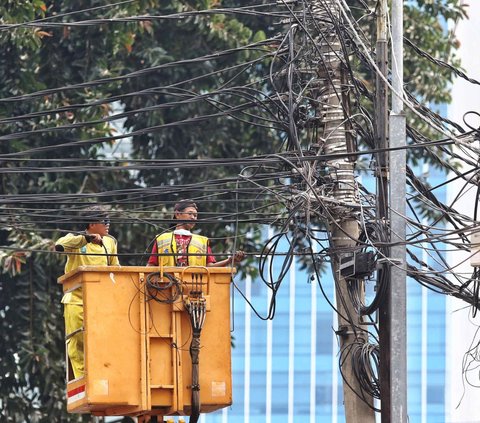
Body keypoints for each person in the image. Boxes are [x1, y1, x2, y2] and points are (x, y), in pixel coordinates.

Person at [55, 207, 120, 379]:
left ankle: (102, 376)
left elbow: (116, 268)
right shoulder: (75, 239)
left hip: (100, 300)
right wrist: (86, 239)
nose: (108, 225)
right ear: (92, 224)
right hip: (76, 299)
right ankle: (82, 379)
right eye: (104, 222)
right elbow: (59, 245)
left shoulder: (110, 242)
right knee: (77, 341)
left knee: (103, 339)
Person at [147, 199, 245, 267]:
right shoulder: (162, 239)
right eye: (190, 213)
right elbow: (151, 266)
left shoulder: (202, 241)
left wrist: (229, 261)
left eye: (195, 215)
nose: (193, 217)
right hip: (166, 292)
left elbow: (210, 267)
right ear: (177, 214)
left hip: (194, 292)